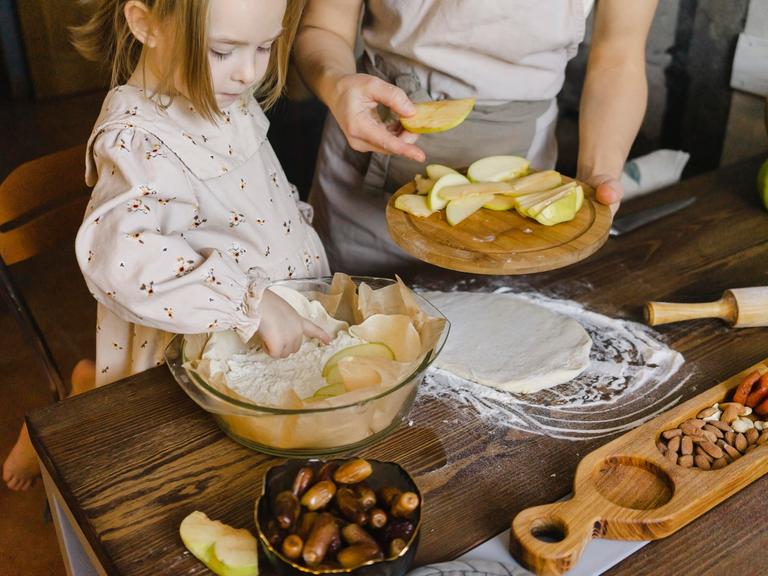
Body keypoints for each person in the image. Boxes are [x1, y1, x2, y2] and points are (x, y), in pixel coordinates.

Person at [3, 0, 330, 490]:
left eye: (265, 46)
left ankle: (87, 380)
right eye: (224, 50)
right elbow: (120, 256)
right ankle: (62, 416)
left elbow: (254, 202)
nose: (248, 73)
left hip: (261, 332)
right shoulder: (138, 141)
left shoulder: (217, 90)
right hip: (191, 347)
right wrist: (250, 302)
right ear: (144, 23)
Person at [294, 0, 659, 274]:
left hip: (517, 206)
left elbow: (618, 57)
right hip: (363, 177)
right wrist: (338, 84)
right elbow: (324, 28)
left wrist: (599, 173)